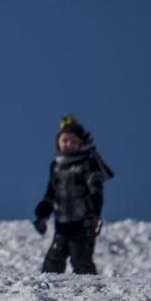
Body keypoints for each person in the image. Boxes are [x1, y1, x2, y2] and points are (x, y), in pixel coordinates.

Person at [32, 114, 114, 275]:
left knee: (80, 259)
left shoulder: (87, 163)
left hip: (82, 223)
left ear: (80, 144)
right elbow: (51, 193)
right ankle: (47, 291)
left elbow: (95, 190)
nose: (68, 144)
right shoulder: (56, 166)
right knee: (53, 260)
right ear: (58, 143)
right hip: (62, 224)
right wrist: (42, 214)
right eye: (65, 140)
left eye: (73, 141)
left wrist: (94, 213)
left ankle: (92, 293)